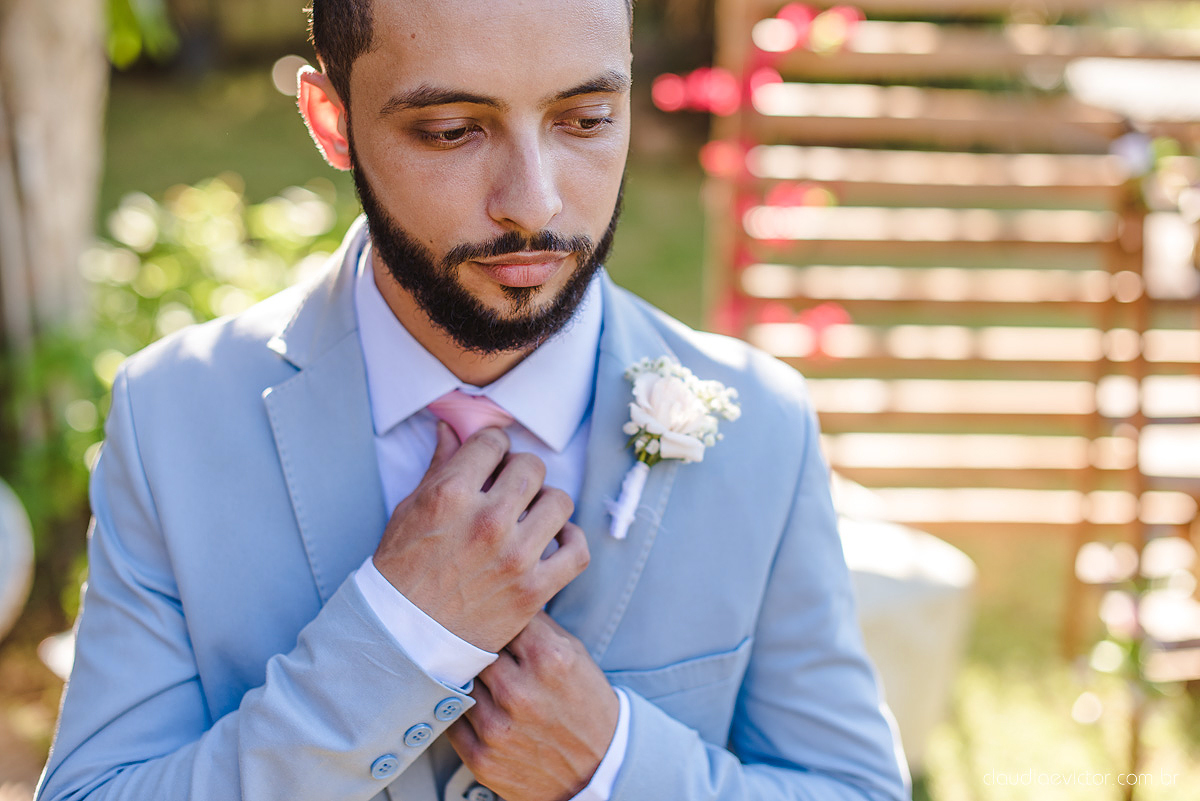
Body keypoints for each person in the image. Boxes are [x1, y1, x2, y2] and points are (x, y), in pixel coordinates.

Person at [36, 1, 910, 799]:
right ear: (331, 121)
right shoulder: (173, 416)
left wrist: (613, 762)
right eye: (453, 130)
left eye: (586, 119)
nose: (534, 202)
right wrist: (397, 639)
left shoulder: (763, 427)